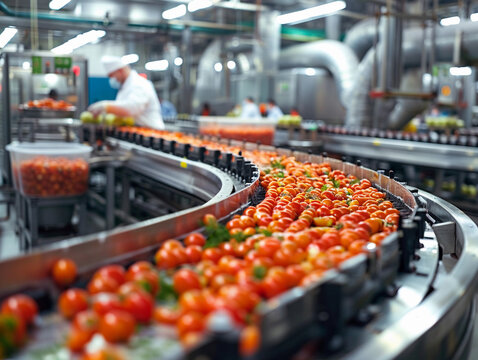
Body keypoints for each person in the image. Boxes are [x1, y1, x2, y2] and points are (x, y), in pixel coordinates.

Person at [88, 56, 164, 130]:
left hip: (152, 132)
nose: (112, 79)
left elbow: (133, 107)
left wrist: (106, 106)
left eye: (112, 75)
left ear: (120, 71)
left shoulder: (139, 83)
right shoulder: (124, 87)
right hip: (138, 131)